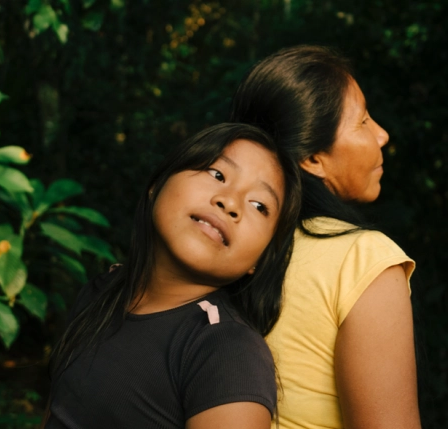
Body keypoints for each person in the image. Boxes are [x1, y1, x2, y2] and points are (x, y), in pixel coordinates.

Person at [43, 123, 301, 429]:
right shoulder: (101, 291)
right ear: (158, 184)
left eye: (259, 205)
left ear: (258, 261)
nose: (230, 202)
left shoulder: (228, 352)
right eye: (217, 174)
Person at [230, 45, 421, 429]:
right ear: (313, 158)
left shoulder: (230, 246)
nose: (382, 135)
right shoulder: (362, 260)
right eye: (364, 121)